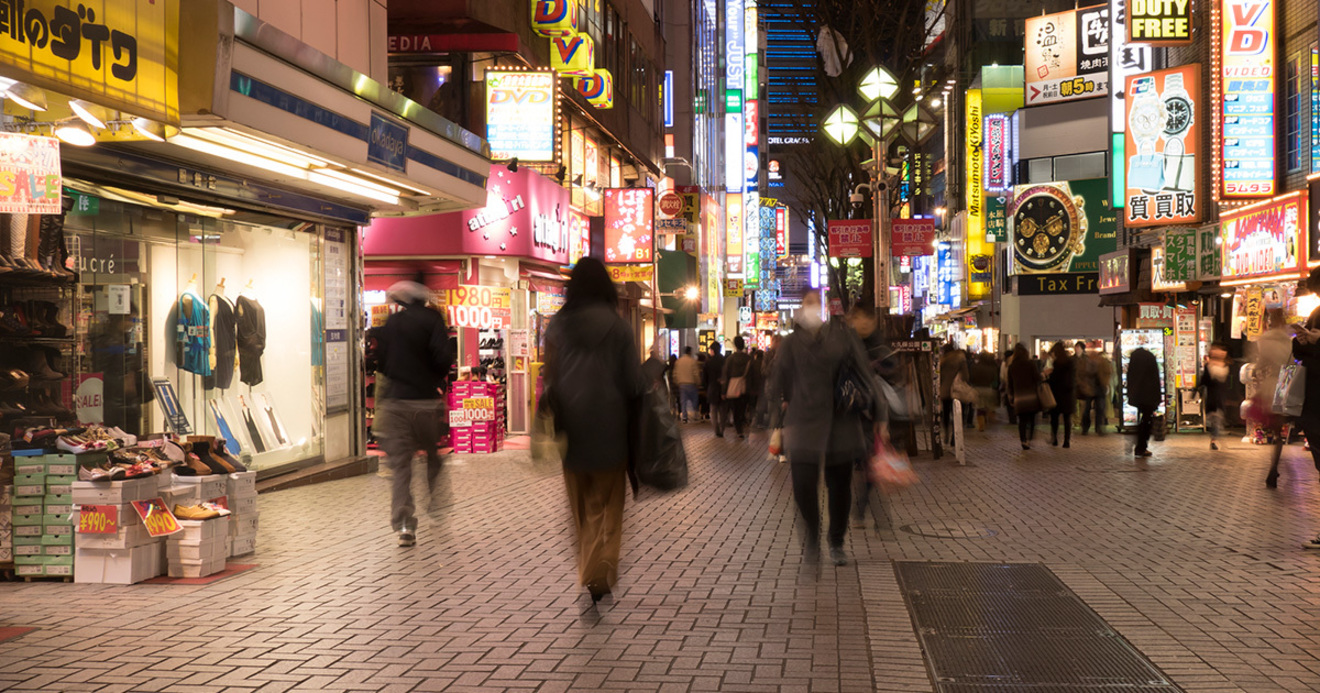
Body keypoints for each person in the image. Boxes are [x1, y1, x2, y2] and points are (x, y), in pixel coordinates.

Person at [542, 257, 646, 603]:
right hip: (612, 428)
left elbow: (551, 378)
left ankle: (589, 567)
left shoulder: (557, 326)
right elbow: (633, 383)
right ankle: (599, 569)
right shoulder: (618, 328)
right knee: (609, 507)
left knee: (581, 509)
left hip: (571, 430)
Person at [774, 292, 884, 567]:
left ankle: (836, 541)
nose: (811, 308)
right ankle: (812, 536)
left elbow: (864, 373)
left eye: (815, 302)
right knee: (803, 487)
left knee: (839, 488)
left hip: (841, 421)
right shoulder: (789, 344)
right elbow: (775, 382)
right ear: (800, 309)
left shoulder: (843, 337)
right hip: (803, 423)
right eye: (806, 303)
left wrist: (880, 412)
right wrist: (773, 423)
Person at [375, 279, 454, 548]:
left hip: (396, 403)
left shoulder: (393, 323)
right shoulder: (433, 319)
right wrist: (433, 379)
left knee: (401, 467)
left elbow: (381, 361)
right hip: (425, 402)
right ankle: (437, 503)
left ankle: (405, 524)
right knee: (432, 455)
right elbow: (443, 357)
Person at [1258, 311, 1294, 486]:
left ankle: (1274, 467)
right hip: (1284, 384)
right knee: (1280, 429)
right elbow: (1292, 365)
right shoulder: (1288, 341)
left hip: (1270, 385)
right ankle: (1275, 466)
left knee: (1274, 430)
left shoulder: (1264, 341)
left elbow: (1260, 365)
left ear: (1270, 321)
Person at [1127, 346, 1161, 458]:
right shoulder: (1150, 359)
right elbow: (1155, 380)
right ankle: (1141, 446)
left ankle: (1139, 445)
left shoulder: (1134, 361)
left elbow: (1130, 378)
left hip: (1137, 395)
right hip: (1149, 396)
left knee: (1142, 420)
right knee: (1146, 420)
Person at [1006, 343, 1042, 450]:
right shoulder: (1030, 364)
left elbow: (1010, 383)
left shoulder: (1012, 367)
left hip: (1019, 397)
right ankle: (1029, 439)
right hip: (1031, 396)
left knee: (1022, 421)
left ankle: (1023, 440)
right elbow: (1037, 378)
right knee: (1032, 419)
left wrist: (1011, 396)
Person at [1199, 343, 1230, 451]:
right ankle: (1215, 439)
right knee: (1215, 419)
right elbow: (1203, 381)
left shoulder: (1225, 366)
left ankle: (1215, 439)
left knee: (1216, 419)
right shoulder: (1209, 366)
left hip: (1220, 398)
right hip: (1213, 398)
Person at [721, 336, 753, 439]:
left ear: (735, 345)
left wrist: (723, 391)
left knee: (735, 409)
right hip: (745, 387)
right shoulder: (749, 358)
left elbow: (726, 375)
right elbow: (752, 375)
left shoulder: (730, 359)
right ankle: (741, 427)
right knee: (742, 408)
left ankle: (739, 429)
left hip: (733, 387)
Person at [1046, 341, 1077, 448]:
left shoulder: (1057, 364)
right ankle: (1066, 441)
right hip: (1068, 394)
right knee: (1067, 418)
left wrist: (1047, 378)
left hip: (1057, 394)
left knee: (1054, 418)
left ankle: (1054, 438)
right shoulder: (1070, 362)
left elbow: (1054, 380)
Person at [938, 344, 969, 447]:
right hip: (958, 391)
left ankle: (946, 432)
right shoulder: (960, 359)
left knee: (946, 414)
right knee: (958, 414)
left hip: (945, 390)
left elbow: (938, 376)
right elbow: (966, 375)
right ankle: (954, 438)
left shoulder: (942, 361)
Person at [968, 351, 998, 431]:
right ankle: (987, 419)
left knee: (979, 408)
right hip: (989, 389)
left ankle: (981, 425)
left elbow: (971, 377)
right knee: (987, 406)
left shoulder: (975, 366)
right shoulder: (992, 367)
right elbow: (995, 379)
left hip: (977, 389)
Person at [704, 341, 727, 436]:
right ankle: (722, 429)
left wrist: (706, 388)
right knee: (723, 411)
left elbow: (705, 378)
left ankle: (716, 430)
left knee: (713, 410)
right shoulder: (725, 361)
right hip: (723, 388)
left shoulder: (708, 362)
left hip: (712, 388)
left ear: (713, 350)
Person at [673, 346, 701, 423]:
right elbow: (695, 373)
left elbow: (675, 373)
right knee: (694, 400)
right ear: (690, 352)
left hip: (682, 384)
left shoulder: (678, 361)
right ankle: (696, 415)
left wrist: (677, 381)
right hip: (691, 383)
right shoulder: (692, 361)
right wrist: (698, 382)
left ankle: (684, 417)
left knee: (683, 401)